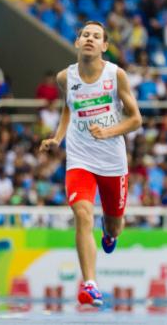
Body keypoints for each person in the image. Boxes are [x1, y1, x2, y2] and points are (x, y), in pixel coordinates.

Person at [39, 21, 142, 307]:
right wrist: (58, 139)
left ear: (104, 46)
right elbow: (68, 109)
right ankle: (90, 284)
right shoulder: (65, 77)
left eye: (96, 36)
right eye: (85, 35)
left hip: (112, 161)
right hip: (80, 160)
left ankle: (111, 234)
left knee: (114, 225)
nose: (90, 39)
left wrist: (107, 132)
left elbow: (136, 119)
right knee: (83, 215)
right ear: (77, 42)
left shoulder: (115, 75)